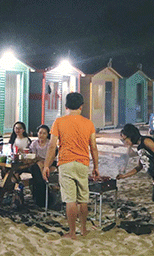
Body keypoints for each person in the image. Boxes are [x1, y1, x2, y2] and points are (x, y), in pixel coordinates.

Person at [43, 92, 99, 240]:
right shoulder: (89, 123)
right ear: (81, 106)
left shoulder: (59, 122)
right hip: (83, 163)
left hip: (66, 163)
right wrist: (96, 166)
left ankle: (72, 232)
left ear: (66, 106)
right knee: (83, 199)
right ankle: (84, 229)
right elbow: (93, 147)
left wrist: (46, 165)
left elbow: (52, 146)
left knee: (70, 200)